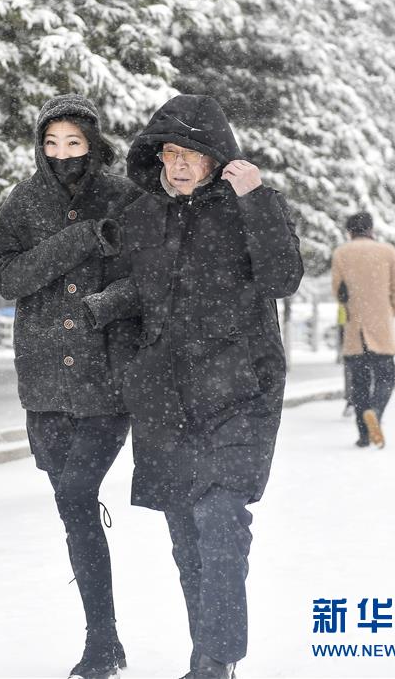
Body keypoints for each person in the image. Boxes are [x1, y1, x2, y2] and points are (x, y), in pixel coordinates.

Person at [83, 94, 303, 679]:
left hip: (239, 390)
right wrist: (102, 309)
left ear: (216, 159)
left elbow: (283, 277)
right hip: (164, 397)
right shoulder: (142, 215)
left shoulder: (252, 205)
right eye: (169, 154)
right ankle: (210, 659)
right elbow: (148, 292)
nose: (177, 166)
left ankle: (214, 661)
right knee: (186, 538)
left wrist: (254, 198)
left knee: (222, 523)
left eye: (191, 155)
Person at [0, 94, 140, 679]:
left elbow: (150, 281)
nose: (62, 155)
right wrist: (78, 241)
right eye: (52, 144)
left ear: (93, 143)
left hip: (107, 380)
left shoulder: (125, 198)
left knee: (77, 494)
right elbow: (7, 278)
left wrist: (107, 306)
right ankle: (106, 638)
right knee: (71, 505)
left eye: (74, 144)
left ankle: (100, 644)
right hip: (47, 380)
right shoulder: (23, 203)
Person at [331, 211, 395, 448]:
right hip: (381, 327)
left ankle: (364, 435)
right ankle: (376, 411)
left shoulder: (341, 253)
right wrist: (390, 309)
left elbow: (338, 289)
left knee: (359, 384)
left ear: (350, 231)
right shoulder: (387, 251)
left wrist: (349, 306)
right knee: (386, 378)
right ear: (371, 229)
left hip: (355, 328)